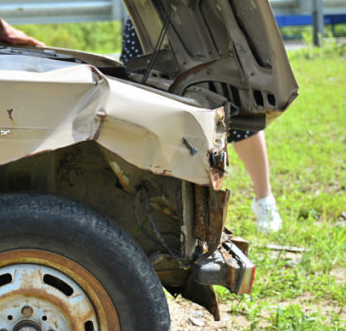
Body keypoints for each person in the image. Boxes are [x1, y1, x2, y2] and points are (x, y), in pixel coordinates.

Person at [120, 20, 284, 233]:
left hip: (201, 18)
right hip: (152, 14)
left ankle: (264, 199)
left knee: (237, 108)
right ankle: (166, 204)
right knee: (146, 99)